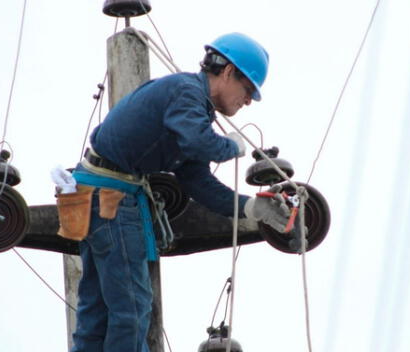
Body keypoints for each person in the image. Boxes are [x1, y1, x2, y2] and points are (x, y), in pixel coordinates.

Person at [69, 32, 291, 352]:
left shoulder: (191, 110)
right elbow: (199, 142)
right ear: (228, 72)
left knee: (99, 307)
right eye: (247, 90)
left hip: (97, 194)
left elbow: (199, 183)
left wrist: (253, 208)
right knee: (131, 308)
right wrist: (232, 146)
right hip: (110, 199)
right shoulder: (186, 94)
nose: (248, 101)